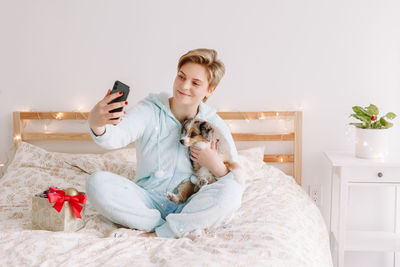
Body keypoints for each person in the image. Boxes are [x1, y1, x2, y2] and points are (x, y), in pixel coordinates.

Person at [86, 48, 244, 239]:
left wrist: (216, 165)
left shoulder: (213, 124)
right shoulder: (150, 109)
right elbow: (116, 136)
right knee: (96, 183)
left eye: (195, 83)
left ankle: (164, 229)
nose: (184, 86)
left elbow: (235, 179)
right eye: (181, 76)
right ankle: (172, 228)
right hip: (147, 200)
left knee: (232, 192)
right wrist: (96, 123)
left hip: (191, 201)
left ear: (210, 90)